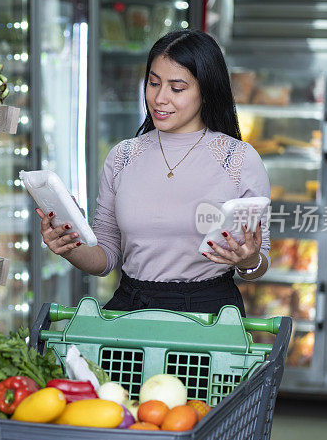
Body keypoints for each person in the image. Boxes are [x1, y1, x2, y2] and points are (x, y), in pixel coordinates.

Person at [36, 30, 270, 315]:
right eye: (153, 83)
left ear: (206, 91)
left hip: (209, 314)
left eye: (177, 88)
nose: (159, 98)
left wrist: (248, 260)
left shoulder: (239, 159)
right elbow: (105, 257)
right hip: (131, 309)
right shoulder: (122, 157)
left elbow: (258, 263)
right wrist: (69, 245)